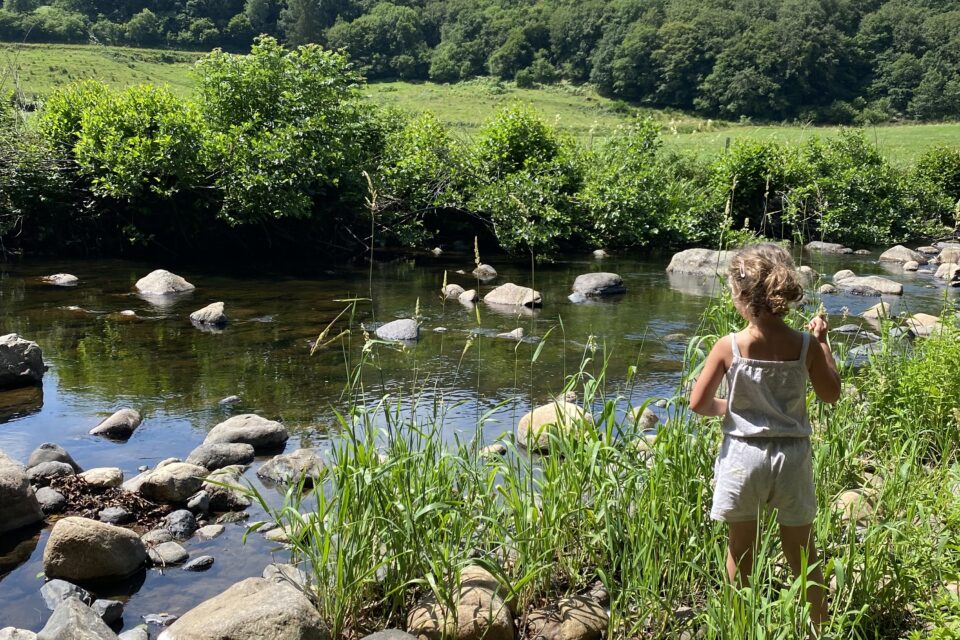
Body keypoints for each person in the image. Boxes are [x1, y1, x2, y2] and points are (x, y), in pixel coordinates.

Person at [688, 243, 841, 632]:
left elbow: (698, 404)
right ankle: (819, 626)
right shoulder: (804, 345)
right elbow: (831, 393)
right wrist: (823, 342)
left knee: (740, 551)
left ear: (740, 295)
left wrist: (733, 410)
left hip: (743, 457)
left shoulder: (730, 346)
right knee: (803, 551)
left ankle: (740, 626)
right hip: (791, 458)